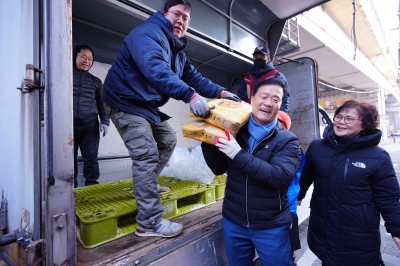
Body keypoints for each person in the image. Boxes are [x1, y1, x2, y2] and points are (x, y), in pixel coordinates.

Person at [102, 0, 240, 238]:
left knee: (168, 140)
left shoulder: (177, 52)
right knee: (146, 153)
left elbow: (194, 77)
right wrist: (190, 96)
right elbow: (155, 68)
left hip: (145, 105)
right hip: (125, 101)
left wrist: (221, 92)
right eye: (176, 14)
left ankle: (145, 186)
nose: (180, 21)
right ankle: (149, 222)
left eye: (185, 18)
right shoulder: (148, 34)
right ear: (164, 14)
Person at [202, 78, 301, 266]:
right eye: (264, 96)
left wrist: (237, 154)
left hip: (271, 225)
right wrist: (207, 137)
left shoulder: (288, 140)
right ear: (252, 99)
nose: (268, 103)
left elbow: (278, 177)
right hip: (234, 221)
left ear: (280, 105)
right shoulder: (236, 132)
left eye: (275, 99)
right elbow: (219, 168)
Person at [298, 99, 400, 265]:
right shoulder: (317, 146)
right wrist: (298, 194)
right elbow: (305, 176)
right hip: (322, 228)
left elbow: (388, 199)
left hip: (358, 235)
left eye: (349, 119)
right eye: (338, 117)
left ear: (364, 125)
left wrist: (397, 229)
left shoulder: (378, 156)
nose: (341, 122)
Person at [73, 44, 110, 188]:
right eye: (83, 56)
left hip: (90, 126)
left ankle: (92, 188)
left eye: (90, 58)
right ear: (75, 56)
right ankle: (71, 190)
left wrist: (105, 121)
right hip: (68, 125)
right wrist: (43, 116)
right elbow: (49, 96)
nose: (86, 61)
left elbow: (102, 104)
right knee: (69, 161)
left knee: (91, 159)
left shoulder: (96, 81)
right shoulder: (65, 76)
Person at [278, 111, 306, 265]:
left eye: (278, 124)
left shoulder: (293, 148)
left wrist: (300, 194)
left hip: (288, 207)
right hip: (268, 210)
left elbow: (300, 173)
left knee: (288, 248)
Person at [237, 45, 290, 112]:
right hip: (250, 114)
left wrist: (280, 116)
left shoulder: (276, 75)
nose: (258, 59)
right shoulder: (247, 78)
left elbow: (284, 98)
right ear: (253, 58)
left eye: (262, 57)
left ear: (268, 58)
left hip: (269, 113)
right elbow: (240, 97)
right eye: (256, 57)